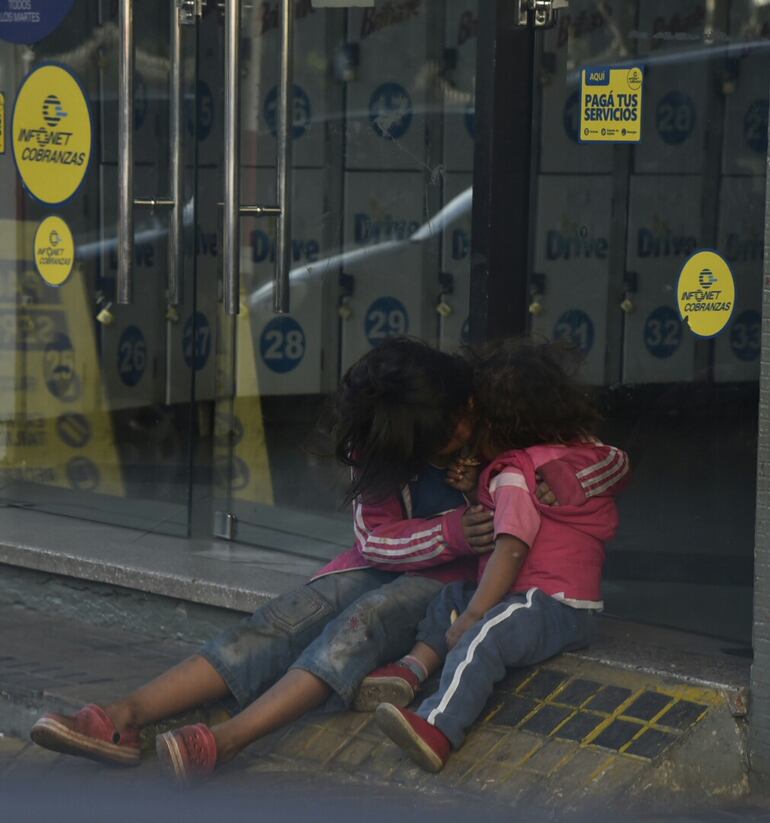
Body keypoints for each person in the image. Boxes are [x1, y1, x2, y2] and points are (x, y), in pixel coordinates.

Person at [29, 337, 626, 784]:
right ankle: (124, 714)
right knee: (291, 615)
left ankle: (231, 739)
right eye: (446, 435)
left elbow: (599, 459)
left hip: (455, 591)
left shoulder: (493, 413)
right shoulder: (395, 436)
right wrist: (452, 530)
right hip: (411, 562)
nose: (463, 432)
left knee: (360, 622)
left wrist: (558, 488)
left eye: (465, 420)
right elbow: (375, 541)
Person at [370, 339, 628, 773]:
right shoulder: (568, 455)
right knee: (449, 599)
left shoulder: (515, 473)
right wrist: (474, 486)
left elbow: (511, 547)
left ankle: (438, 728)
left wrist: (474, 615)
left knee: (482, 635)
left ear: (498, 426)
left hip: (553, 604)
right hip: (540, 598)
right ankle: (414, 667)